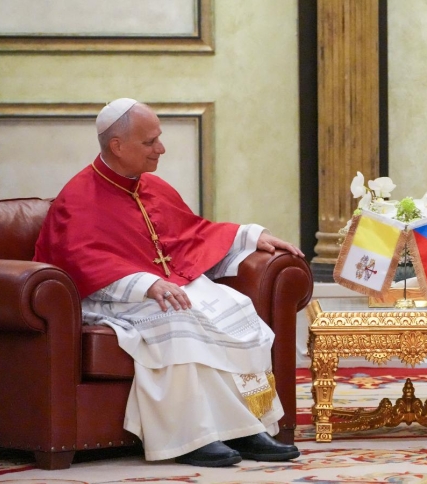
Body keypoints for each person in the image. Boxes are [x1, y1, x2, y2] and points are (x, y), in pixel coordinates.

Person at [34, 98, 305, 468]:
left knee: (238, 310)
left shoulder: (153, 187)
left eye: (158, 139)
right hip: (114, 295)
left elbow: (191, 234)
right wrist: (143, 283)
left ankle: (251, 424)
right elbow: (80, 259)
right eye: (150, 142)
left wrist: (247, 236)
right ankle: (192, 436)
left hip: (167, 283)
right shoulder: (78, 197)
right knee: (179, 321)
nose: (160, 149)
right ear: (117, 146)